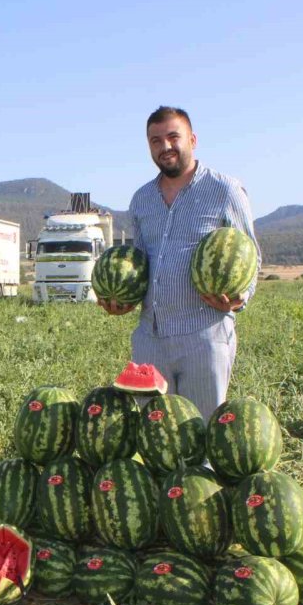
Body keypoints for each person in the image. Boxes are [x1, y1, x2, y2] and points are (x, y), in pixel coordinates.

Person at [99, 106, 261, 420]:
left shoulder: (225, 190)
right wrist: (123, 299)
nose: (165, 147)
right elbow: (140, 262)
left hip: (203, 334)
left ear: (193, 139)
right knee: (156, 436)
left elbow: (249, 254)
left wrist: (240, 298)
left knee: (200, 435)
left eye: (174, 137)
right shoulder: (141, 199)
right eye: (156, 141)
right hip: (150, 338)